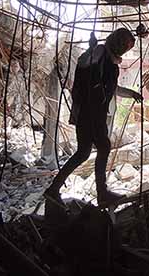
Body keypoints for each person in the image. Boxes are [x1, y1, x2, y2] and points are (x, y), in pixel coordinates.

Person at [44, 28, 142, 207]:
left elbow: (113, 89)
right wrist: (91, 49)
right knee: (103, 146)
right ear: (116, 41)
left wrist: (131, 93)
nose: (123, 49)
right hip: (90, 112)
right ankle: (102, 193)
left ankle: (54, 189)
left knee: (83, 153)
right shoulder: (99, 53)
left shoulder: (109, 60)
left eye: (126, 47)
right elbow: (85, 67)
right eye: (123, 44)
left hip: (95, 113)